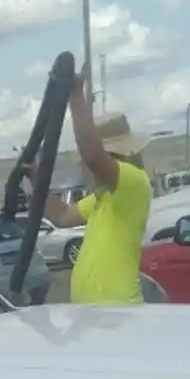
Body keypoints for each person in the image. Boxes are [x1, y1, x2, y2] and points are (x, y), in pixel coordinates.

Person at [59, 70, 152, 305]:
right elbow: (61, 216)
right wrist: (36, 183)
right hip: (98, 319)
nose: (87, 168)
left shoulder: (134, 181)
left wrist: (75, 95)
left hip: (120, 315)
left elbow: (91, 154)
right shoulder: (103, 197)